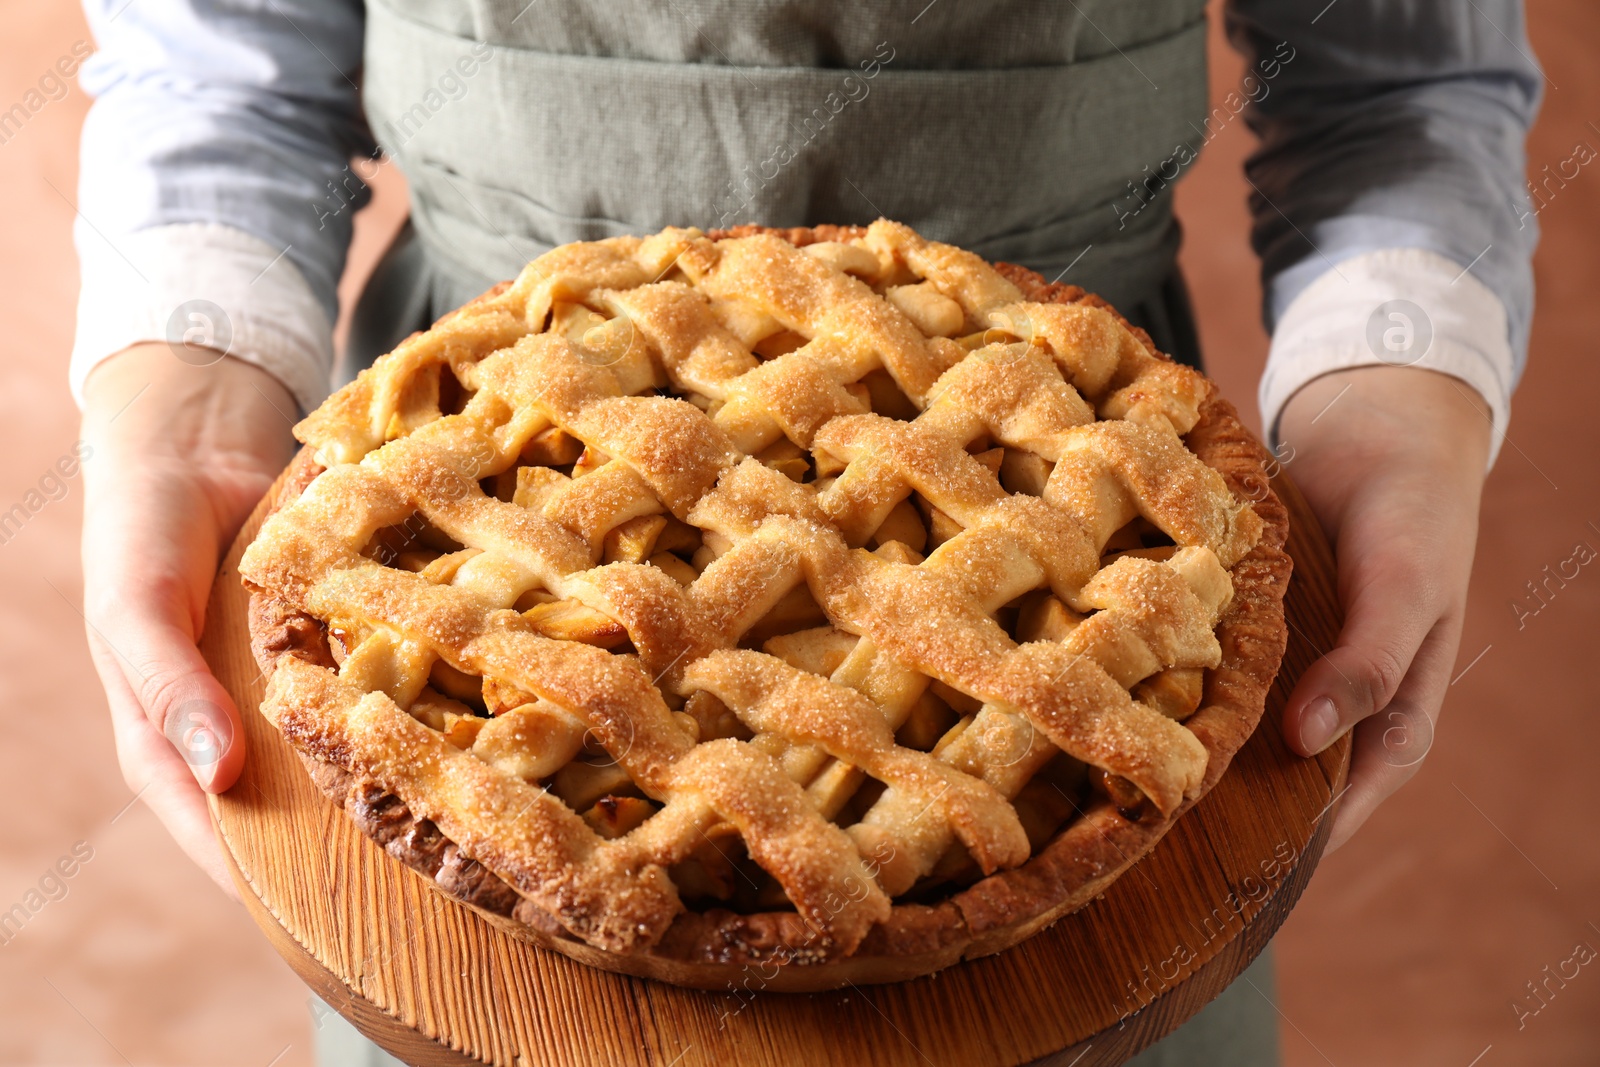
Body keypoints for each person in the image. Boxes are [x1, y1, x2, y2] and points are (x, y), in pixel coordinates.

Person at [71, 1, 1540, 1062]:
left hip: (1060, 487)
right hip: (479, 482)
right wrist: (191, 404)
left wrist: (1392, 399)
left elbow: (1399, 86)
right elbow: (221, 77)